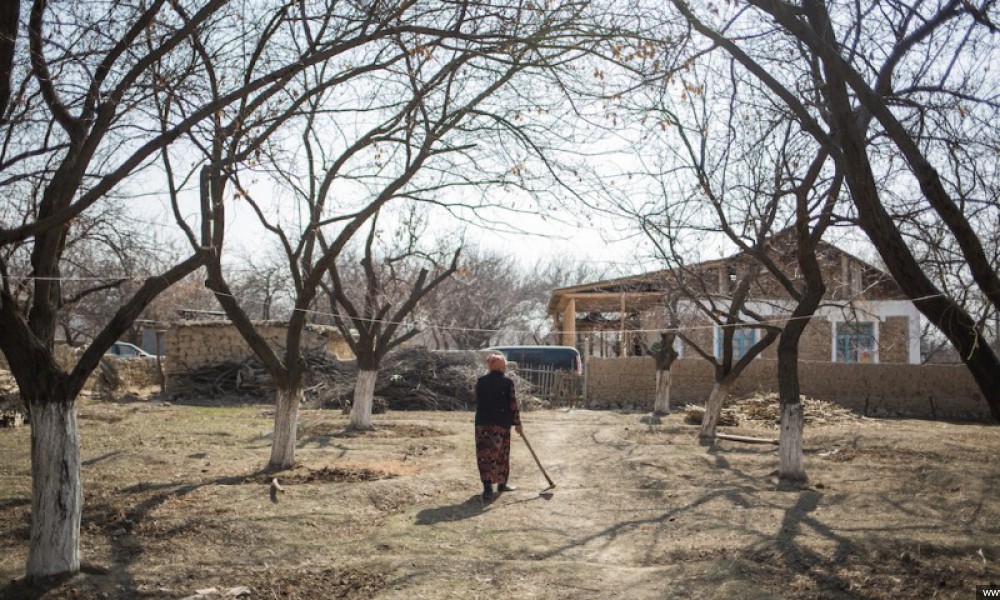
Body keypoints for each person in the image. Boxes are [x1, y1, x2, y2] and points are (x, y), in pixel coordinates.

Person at [474, 353, 522, 502]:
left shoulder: (480, 381)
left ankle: (488, 488)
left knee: (484, 455)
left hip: (482, 423)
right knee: (502, 453)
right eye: (505, 365)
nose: (506, 367)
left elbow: (475, 399)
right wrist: (518, 423)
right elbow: (513, 404)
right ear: (499, 366)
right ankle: (501, 484)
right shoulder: (507, 383)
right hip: (501, 423)